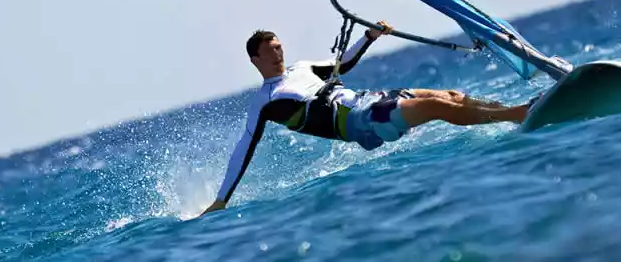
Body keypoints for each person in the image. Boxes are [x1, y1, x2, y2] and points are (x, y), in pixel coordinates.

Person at [200, 22, 531, 215]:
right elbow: (243, 149)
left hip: (370, 100)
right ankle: (519, 115)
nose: (278, 52)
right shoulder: (265, 102)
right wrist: (221, 200)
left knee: (448, 96)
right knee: (437, 109)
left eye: (279, 46)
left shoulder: (302, 68)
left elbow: (343, 64)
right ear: (255, 58)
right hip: (361, 121)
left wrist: (368, 36)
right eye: (271, 49)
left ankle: (515, 110)